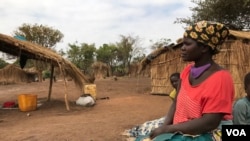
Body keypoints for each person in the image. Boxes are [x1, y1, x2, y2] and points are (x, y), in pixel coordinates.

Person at [137, 21, 235, 141]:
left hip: (209, 131)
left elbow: (210, 122)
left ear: (204, 47)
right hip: (184, 126)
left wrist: (167, 130)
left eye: (187, 44)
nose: (182, 48)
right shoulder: (187, 71)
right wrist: (164, 127)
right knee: (144, 134)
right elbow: (176, 102)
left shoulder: (221, 78)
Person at [122, 73, 180, 138]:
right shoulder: (172, 94)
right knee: (151, 124)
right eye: (172, 82)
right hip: (176, 114)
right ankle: (137, 129)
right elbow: (175, 107)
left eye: (176, 81)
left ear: (181, 81)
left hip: (181, 117)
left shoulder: (185, 91)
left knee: (160, 127)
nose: (174, 83)